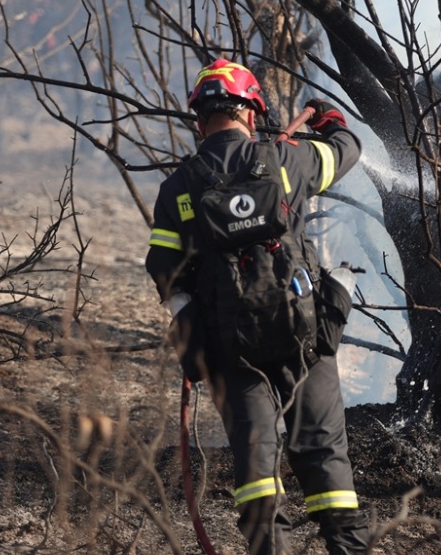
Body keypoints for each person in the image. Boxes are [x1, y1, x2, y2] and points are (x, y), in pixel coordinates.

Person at [145, 59, 370, 554]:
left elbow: (164, 268)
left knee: (256, 473)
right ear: (251, 113)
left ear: (200, 121)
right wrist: (327, 118)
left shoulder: (178, 188)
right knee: (326, 458)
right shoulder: (287, 161)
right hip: (305, 335)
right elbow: (348, 149)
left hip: (231, 351)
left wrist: (193, 334)